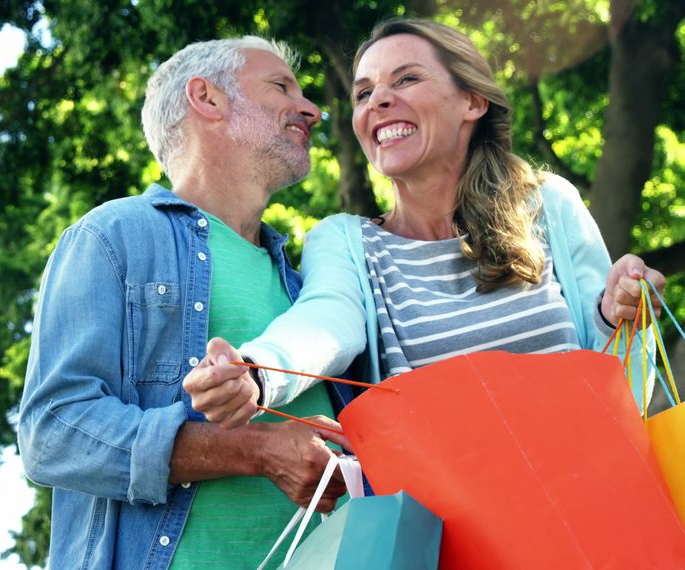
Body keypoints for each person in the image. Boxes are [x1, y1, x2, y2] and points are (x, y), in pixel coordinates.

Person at [184, 17, 666, 429]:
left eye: (407, 79)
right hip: (448, 531)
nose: (379, 101)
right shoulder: (346, 241)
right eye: (364, 92)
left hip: (587, 498)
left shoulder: (549, 205)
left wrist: (617, 314)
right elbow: (325, 323)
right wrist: (256, 370)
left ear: (472, 103)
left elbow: (626, 387)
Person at [18, 36, 351, 569]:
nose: (311, 108)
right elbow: (55, 432)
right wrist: (258, 452)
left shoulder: (308, 284)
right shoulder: (113, 235)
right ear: (208, 98)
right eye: (281, 86)